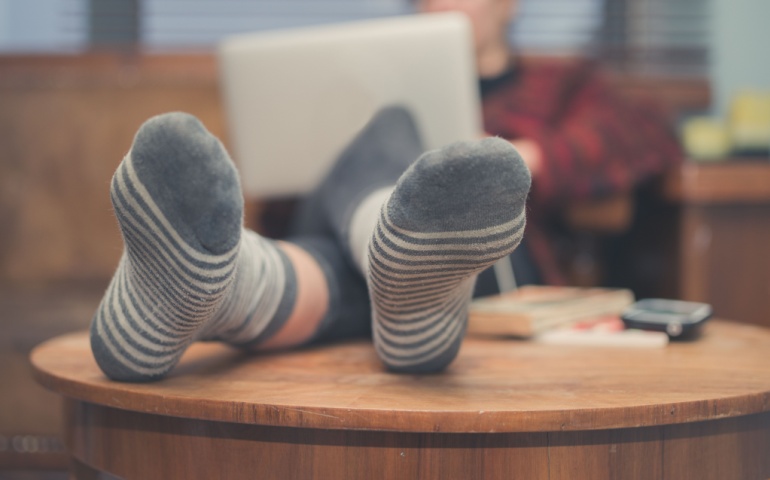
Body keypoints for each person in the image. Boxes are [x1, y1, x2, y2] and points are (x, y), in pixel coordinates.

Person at [89, 108, 531, 381]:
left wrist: (534, 152)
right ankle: (409, 286)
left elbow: (597, 152)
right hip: (341, 230)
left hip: (505, 276)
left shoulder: (558, 86)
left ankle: (226, 288)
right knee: (387, 138)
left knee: (393, 122)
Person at [414, 0, 683, 289]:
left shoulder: (558, 86)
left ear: (507, 6)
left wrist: (523, 156)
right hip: (411, 246)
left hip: (508, 263)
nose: (442, 5)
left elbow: (642, 129)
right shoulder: (410, 98)